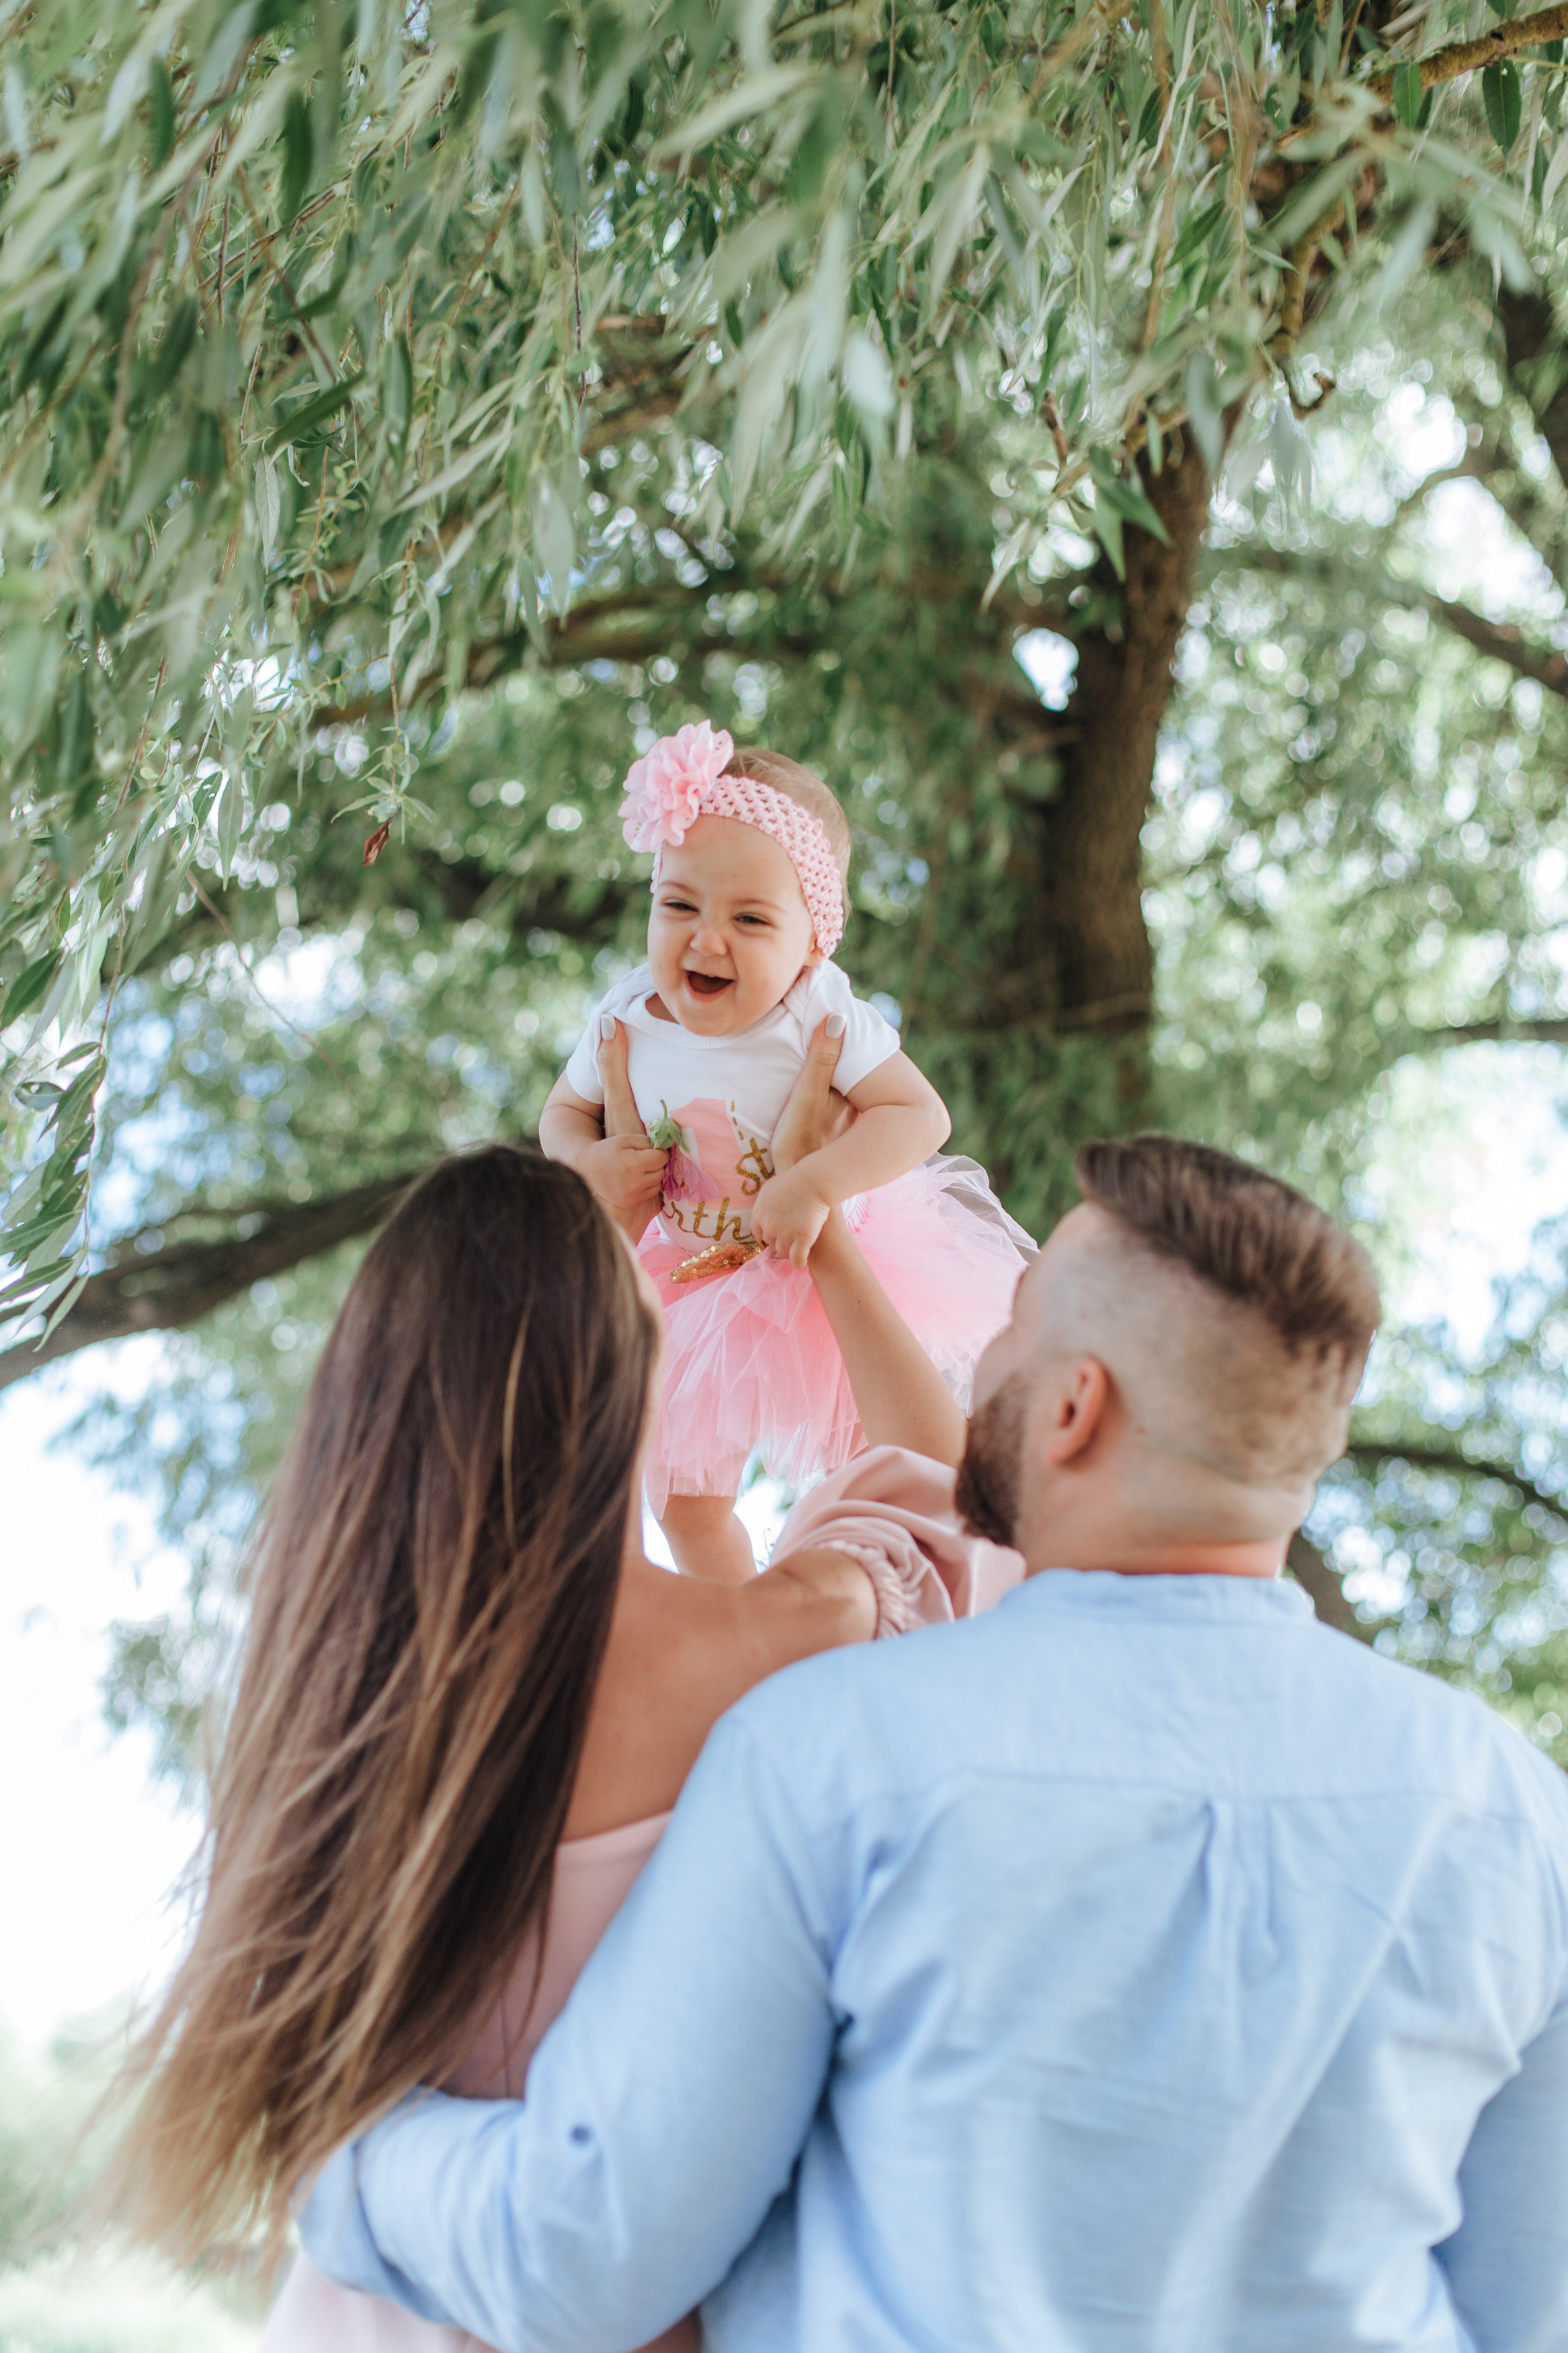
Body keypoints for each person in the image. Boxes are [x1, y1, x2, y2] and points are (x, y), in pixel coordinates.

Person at [303, 1134, 1568, 2353]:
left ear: (1073, 1408)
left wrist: (333, 2157)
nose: (980, 1362)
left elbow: (583, 2249)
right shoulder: (1519, 1819)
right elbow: (1528, 2310)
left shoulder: (832, 1753)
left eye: (1007, 1332)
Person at [97, 1029, 1022, 2353]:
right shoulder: (777, 1634)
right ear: (627, 1370)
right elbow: (964, 1504)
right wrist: (813, 1217)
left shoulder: (321, 1708)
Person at [538, 721, 1033, 1583]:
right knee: (682, 1504)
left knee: (867, 1461)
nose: (705, 938)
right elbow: (561, 1114)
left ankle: (860, 1586)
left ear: (812, 940)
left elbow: (918, 1115)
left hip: (820, 1251)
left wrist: (815, 1182)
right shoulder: (624, 1014)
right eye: (679, 904)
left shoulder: (817, 1012)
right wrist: (584, 1166)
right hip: (694, 1275)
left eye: (751, 917)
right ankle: (739, 1606)